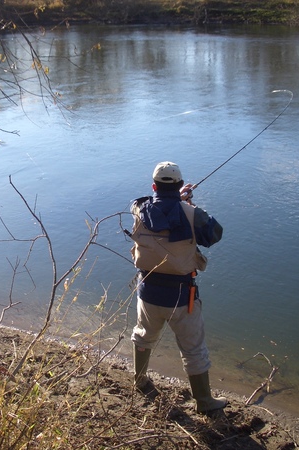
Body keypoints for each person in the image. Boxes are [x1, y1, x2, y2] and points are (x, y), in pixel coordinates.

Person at [128, 161, 227, 414]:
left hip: (147, 291)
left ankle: (140, 381)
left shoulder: (138, 209)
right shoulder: (192, 214)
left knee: (143, 336)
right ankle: (204, 402)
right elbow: (214, 235)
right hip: (183, 297)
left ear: (153, 186)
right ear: (181, 185)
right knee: (193, 349)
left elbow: (157, 208)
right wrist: (188, 205)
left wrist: (176, 201)